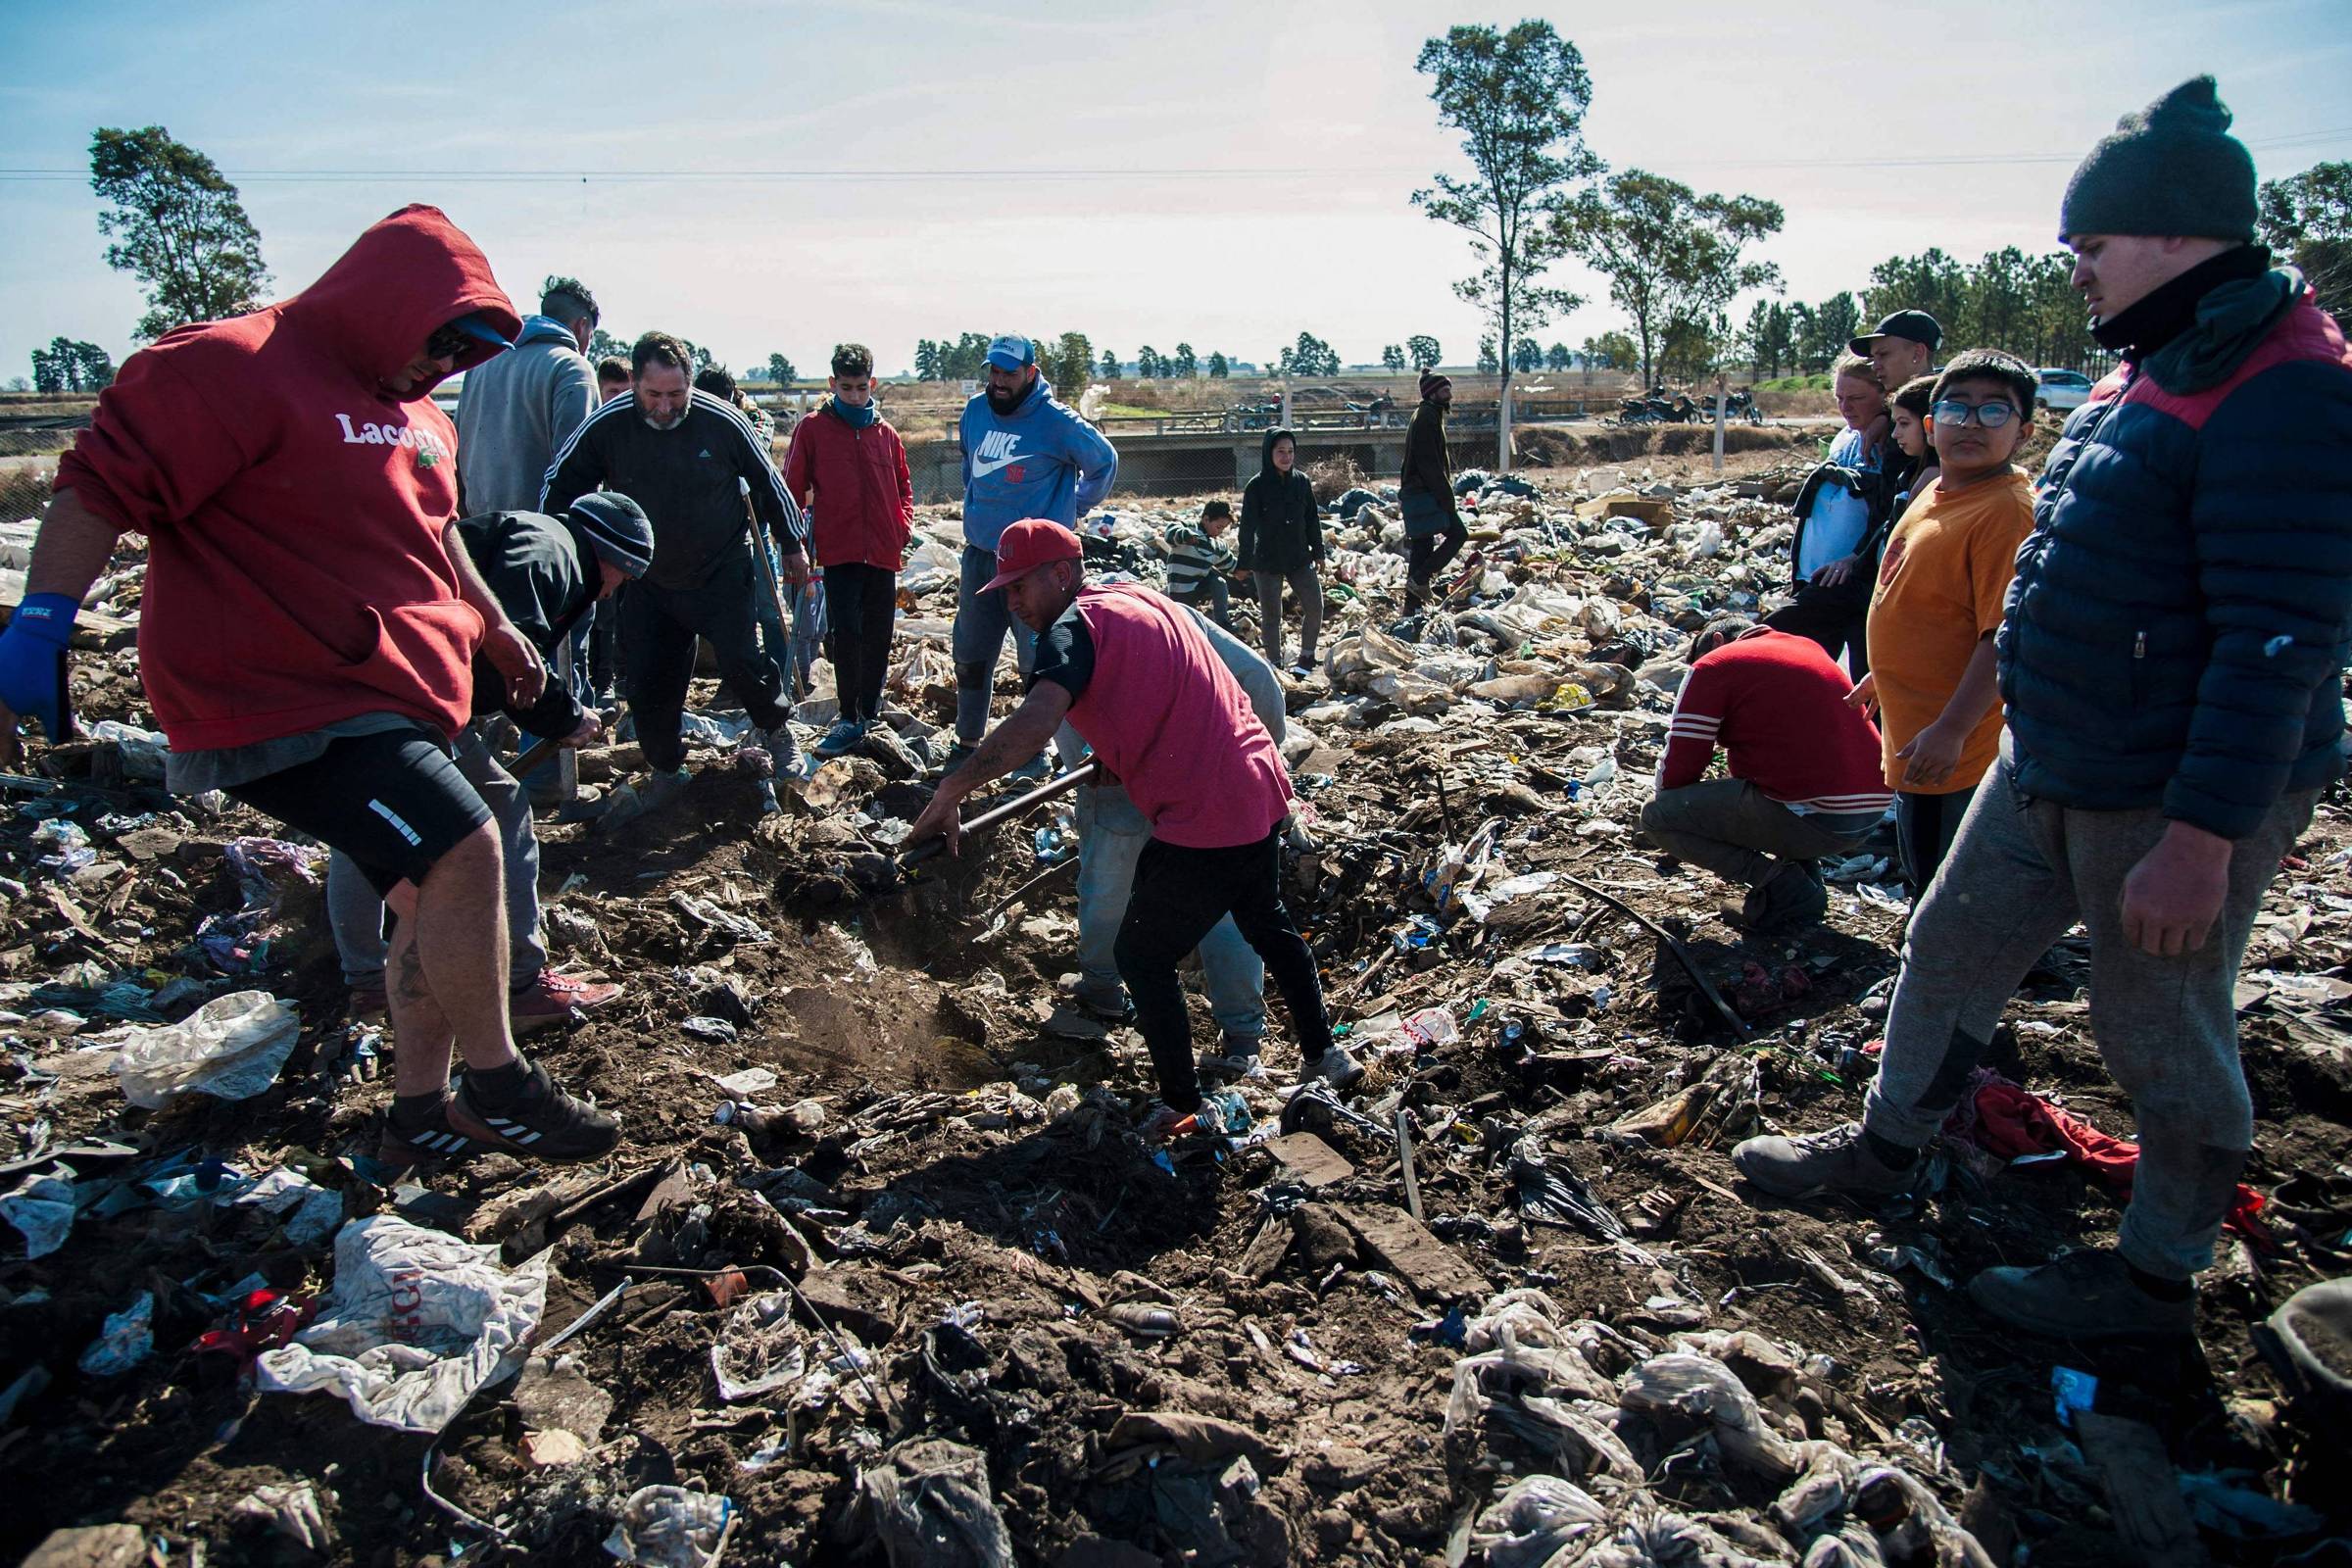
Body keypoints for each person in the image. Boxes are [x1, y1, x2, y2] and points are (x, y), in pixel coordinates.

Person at [1733, 76, 2352, 1342]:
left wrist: (2200, 840)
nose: (2075, 267)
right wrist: (1982, 712)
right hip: (2049, 758)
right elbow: (2067, 565)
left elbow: (2279, 642)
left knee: (2160, 1031)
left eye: (2092, 244)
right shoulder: (2153, 361)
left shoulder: (2286, 386)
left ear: (2179, 232)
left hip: (2166, 785)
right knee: (1945, 946)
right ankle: (1885, 1149)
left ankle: (2151, 1284)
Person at [0, 205, 617, 1166]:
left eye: (465, 351)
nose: (442, 363)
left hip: (392, 691)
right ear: (385, 302)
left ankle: (420, 1108)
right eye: (439, 338)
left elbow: (438, 529)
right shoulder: (237, 363)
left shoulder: (417, 416)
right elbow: (98, 481)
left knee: (427, 896)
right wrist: (43, 619)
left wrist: (493, 627)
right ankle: (503, 1086)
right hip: (278, 693)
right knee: (468, 847)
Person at [906, 520, 1361, 1132]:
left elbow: (1037, 721)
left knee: (1140, 955)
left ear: (1061, 575)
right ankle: (1326, 1054)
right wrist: (1118, 761)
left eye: (1020, 587)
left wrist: (954, 786)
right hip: (1259, 786)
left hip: (1207, 811)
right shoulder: (1140, 599)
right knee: (1268, 925)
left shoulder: (1070, 631)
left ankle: (1184, 1107)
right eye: (1005, 589)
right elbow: (1171, 694)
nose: (1012, 602)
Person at [329, 495, 651, 1027]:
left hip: (375, 674)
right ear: (614, 558)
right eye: (625, 575)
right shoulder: (551, 550)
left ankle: (367, 982)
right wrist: (565, 718)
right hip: (412, 690)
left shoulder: (535, 537)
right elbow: (511, 644)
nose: (617, 588)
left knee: (362, 823)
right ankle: (522, 981)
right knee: (502, 805)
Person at [542, 331, 811, 806]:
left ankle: (775, 728)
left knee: (742, 661)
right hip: (646, 579)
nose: (665, 407)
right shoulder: (609, 425)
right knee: (647, 682)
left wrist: (792, 544)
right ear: (634, 387)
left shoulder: (721, 421)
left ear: (689, 385)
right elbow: (559, 486)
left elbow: (769, 483)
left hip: (719, 570)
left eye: (676, 395)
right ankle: (668, 767)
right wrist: (564, 551)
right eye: (654, 396)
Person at [1065, 599, 1286, 1082]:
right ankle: (1242, 1038)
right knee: (1222, 904)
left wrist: (1094, 761)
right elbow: (1262, 680)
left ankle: (1103, 989)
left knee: (1108, 882)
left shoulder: (1064, 634)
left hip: (1126, 781)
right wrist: (1257, 753)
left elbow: (1061, 728)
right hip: (1203, 784)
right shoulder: (1169, 614)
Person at [1846, 350, 2039, 898]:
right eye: (1957, 409)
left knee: (1955, 888)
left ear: (2023, 431)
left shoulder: (2004, 512)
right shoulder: (1937, 489)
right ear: (1932, 426)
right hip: (1918, 726)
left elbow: (2002, 637)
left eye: (1993, 412)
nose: (1972, 424)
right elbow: (1919, 595)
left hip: (1959, 746)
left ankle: (1946, 977)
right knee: (1924, 865)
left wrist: (1953, 730)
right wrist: (1885, 674)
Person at [1642, 617, 1892, 930]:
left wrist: (1681, 826)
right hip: (1870, 811)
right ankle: (1807, 887)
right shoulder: (1804, 646)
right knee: (1769, 793)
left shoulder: (1715, 664)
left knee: (1656, 817)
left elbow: (1682, 762)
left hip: (1820, 815)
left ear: (1717, 641)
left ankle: (1783, 887)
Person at [947, 336, 1117, 772]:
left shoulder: (1056, 422)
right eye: (995, 372)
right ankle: (967, 742)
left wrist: (1075, 506)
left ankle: (1035, 754)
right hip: (983, 554)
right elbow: (970, 468)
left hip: (1035, 567)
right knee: (970, 649)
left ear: (1031, 373)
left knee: (1037, 657)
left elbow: (1104, 462)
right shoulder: (975, 412)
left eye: (1010, 373)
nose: (1000, 382)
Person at [783, 343, 914, 758]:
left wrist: (903, 526)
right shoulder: (814, 429)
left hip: (883, 551)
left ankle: (869, 711)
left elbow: (904, 487)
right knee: (846, 634)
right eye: (846, 387)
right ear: (832, 384)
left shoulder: (886, 435)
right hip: (840, 551)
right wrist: (794, 543)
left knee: (879, 633)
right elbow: (792, 486)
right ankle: (848, 715)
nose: (854, 396)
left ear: (872, 384)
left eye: (861, 387)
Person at [1761, 354, 1890, 673]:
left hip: (1853, 582)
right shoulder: (1844, 438)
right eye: (1840, 397)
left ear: (1885, 395)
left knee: (1860, 682)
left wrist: (1855, 558)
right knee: (1803, 675)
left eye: (1857, 398)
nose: (1846, 406)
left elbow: (1889, 516)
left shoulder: (1893, 443)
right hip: (1817, 574)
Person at [456, 275, 600, 514]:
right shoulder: (572, 367)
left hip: (476, 528)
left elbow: (457, 450)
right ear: (581, 326)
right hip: (539, 533)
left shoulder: (480, 365)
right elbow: (578, 469)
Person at [1238, 428, 1325, 672]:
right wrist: (1243, 563)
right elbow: (1247, 528)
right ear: (1269, 453)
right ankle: (1275, 666)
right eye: (1280, 452)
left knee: (1315, 607)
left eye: (1290, 452)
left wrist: (1319, 552)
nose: (1286, 457)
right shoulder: (1256, 486)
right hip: (1267, 559)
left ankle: (1306, 658)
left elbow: (1311, 520)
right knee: (1272, 616)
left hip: (1299, 556)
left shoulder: (1301, 482)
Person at [1399, 369, 1465, 607]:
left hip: (1420, 492)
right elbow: (1430, 465)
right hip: (1424, 493)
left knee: (1422, 546)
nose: (1449, 395)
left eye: (1449, 390)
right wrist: (1446, 498)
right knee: (1458, 534)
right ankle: (1420, 578)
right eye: (1445, 390)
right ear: (1432, 393)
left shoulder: (1428, 414)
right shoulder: (1427, 417)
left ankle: (1412, 605)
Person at [1848, 309, 1942, 461]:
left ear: (1917, 353)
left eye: (1883, 354)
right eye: (1873, 357)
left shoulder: (1943, 411)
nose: (1875, 366)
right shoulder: (1899, 408)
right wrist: (1885, 416)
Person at [1163, 500, 1239, 630]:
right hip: (1180, 589)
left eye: (1223, 528)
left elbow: (1231, 565)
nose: (1220, 532)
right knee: (1186, 623)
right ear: (1206, 519)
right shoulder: (1190, 527)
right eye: (1218, 527)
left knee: (1219, 582)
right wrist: (1185, 536)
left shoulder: (1217, 545)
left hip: (1199, 586)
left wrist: (1250, 568)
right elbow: (1170, 532)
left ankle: (1223, 622)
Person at [1885, 374, 1940, 511]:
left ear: (1930, 423)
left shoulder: (1938, 481)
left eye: (1904, 423)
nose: (1895, 434)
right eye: (1895, 423)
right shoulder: (1911, 469)